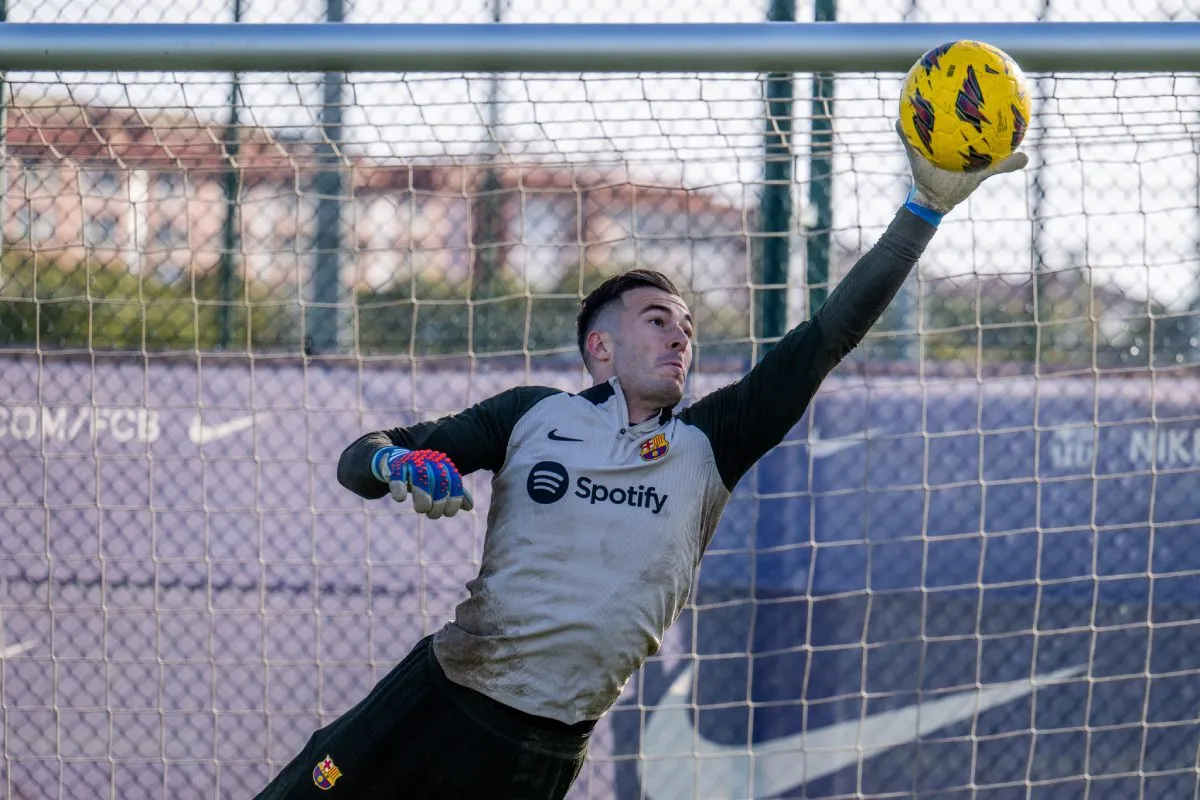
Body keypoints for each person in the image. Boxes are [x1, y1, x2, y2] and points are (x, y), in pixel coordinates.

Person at [255, 125, 1027, 799]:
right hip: (432, 702)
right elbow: (361, 458)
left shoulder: (712, 441)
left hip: (541, 749)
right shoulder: (532, 415)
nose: (680, 337)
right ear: (600, 347)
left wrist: (921, 212)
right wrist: (395, 465)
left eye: (687, 327)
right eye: (658, 321)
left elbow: (825, 338)